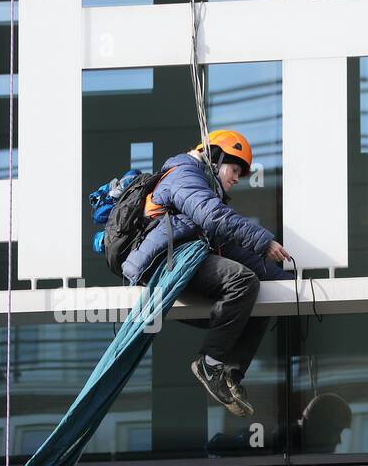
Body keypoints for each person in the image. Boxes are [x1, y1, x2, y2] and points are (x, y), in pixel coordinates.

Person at [121, 129, 293, 416]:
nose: (237, 178)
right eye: (234, 168)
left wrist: (289, 285)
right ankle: (209, 364)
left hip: (186, 262)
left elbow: (235, 251)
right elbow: (213, 216)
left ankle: (230, 376)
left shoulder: (203, 190)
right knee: (242, 281)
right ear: (214, 158)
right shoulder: (183, 173)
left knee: (261, 295)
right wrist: (265, 241)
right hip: (163, 263)